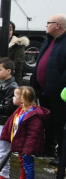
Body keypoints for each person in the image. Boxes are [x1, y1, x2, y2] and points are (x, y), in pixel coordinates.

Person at [2, 86, 49, 179]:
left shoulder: (34, 116)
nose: (13, 98)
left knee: (28, 165)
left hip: (27, 147)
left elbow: (33, 135)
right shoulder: (20, 111)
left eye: (15, 96)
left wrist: (28, 149)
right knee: (22, 164)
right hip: (21, 144)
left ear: (22, 99)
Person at [31, 14, 66, 159]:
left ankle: (60, 155)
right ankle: (48, 149)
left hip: (58, 91)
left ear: (58, 25)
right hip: (43, 89)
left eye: (49, 23)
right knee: (47, 121)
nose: (46, 25)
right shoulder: (49, 40)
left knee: (59, 122)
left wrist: (58, 84)